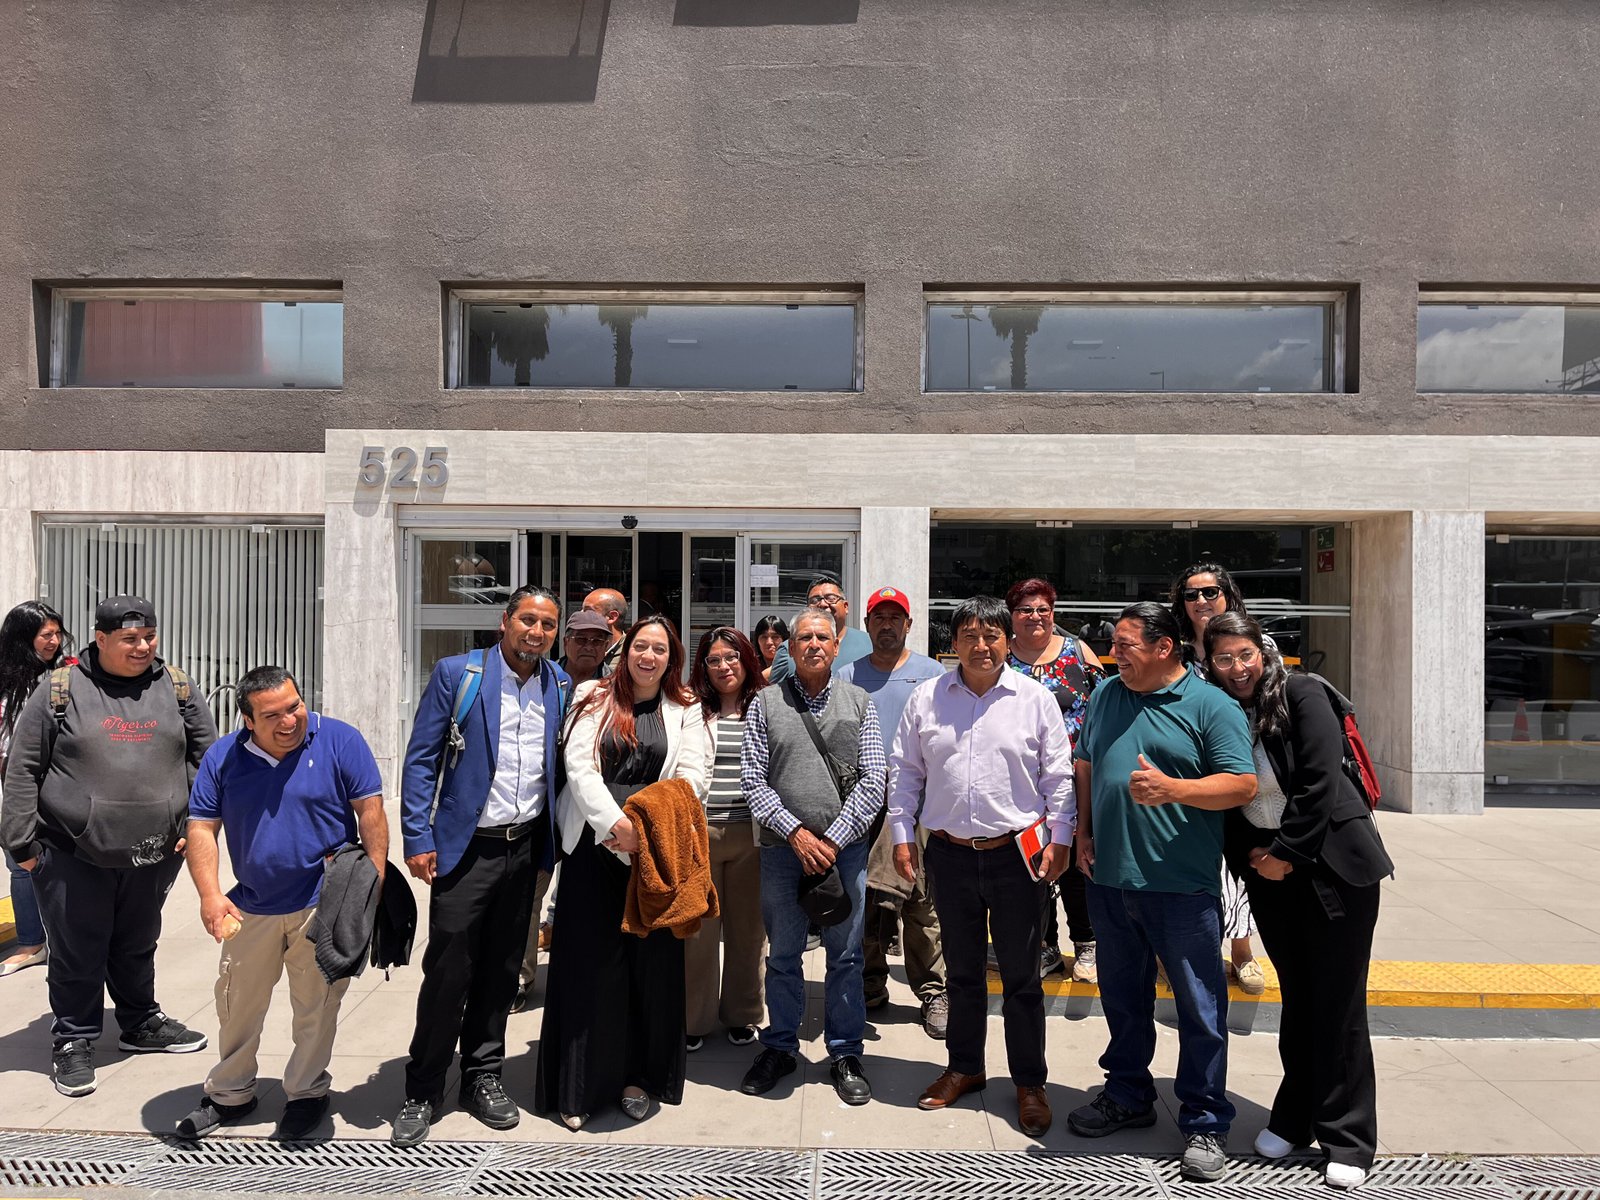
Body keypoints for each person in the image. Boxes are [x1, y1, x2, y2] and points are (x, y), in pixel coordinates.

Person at [1067, 602, 1256, 1183]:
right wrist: (1082, 830)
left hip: (1180, 886)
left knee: (1200, 1007)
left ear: (1165, 647)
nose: (1114, 654)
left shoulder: (1211, 705)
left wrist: (1174, 789)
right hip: (1109, 879)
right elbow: (1085, 762)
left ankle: (1205, 1119)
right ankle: (1127, 1093)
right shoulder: (1107, 694)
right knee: (1123, 999)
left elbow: (1242, 784)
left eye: (1126, 645)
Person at [1205, 612, 1394, 1191]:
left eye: (1244, 655)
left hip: (1333, 869)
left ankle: (1349, 1138)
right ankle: (1295, 1117)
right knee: (1301, 1000)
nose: (1237, 668)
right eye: (1223, 658)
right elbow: (1230, 795)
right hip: (1269, 874)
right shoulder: (1221, 710)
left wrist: (1285, 852)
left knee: (1338, 1004)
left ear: (1262, 652)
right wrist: (1257, 861)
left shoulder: (1302, 692)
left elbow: (1318, 783)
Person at [1, 595, 215, 1097]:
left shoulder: (177, 686)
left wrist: (195, 827)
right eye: (130, 639)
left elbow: (206, 760)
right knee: (78, 947)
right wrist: (22, 844)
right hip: (71, 850)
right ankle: (74, 1038)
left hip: (153, 850)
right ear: (101, 638)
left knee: (137, 941)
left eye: (149, 637)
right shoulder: (59, 689)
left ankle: (139, 1022)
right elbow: (23, 768)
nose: (143, 647)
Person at [889, 595, 1075, 1139]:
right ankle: (965, 1067)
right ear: (953, 643)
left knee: (1022, 979)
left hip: (1017, 857)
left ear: (1007, 642)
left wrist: (1061, 840)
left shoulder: (1034, 699)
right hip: (947, 855)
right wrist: (902, 836)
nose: (981, 646)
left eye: (991, 635)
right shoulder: (927, 698)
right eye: (969, 635)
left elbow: (1058, 777)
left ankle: (1030, 1083)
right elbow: (906, 773)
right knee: (962, 973)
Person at [177, 666, 388, 1140]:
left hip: (323, 903)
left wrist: (373, 886)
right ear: (248, 720)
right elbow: (202, 828)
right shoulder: (223, 757)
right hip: (250, 906)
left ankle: (306, 1093)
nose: (290, 721)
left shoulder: (340, 740)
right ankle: (230, 1093)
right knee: (237, 1005)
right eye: (273, 715)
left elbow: (371, 812)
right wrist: (210, 896)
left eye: (294, 706)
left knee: (317, 1006)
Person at [393, 585, 569, 1147]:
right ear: (505, 621)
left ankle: (481, 1077)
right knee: (449, 973)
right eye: (528, 620)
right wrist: (417, 835)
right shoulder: (459, 674)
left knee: (500, 971)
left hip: (526, 848)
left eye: (547, 624)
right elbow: (422, 758)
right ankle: (423, 1088)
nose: (536, 632)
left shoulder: (558, 683)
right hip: (466, 849)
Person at [535, 615, 709, 1129]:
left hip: (653, 854)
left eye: (659, 649)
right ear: (625, 650)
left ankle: (639, 1078)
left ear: (671, 658)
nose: (648, 656)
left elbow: (692, 778)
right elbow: (578, 766)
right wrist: (615, 824)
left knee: (648, 971)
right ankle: (580, 1086)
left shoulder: (686, 707)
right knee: (588, 968)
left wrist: (643, 829)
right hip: (593, 848)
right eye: (640, 646)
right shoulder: (592, 696)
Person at [739, 608, 886, 1105]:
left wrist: (834, 840)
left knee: (846, 956)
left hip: (845, 854)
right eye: (805, 637)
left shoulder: (859, 702)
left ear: (836, 646)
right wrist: (797, 834)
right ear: (791, 647)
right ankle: (780, 1046)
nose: (814, 645)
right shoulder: (765, 703)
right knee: (783, 955)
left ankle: (845, 1052)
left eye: (823, 637)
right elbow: (753, 780)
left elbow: (874, 779)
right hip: (783, 852)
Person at [836, 586, 949, 1038]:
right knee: (864, 898)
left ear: (908, 624)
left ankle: (933, 991)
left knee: (921, 903)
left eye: (895, 617)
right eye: (879, 618)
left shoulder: (932, 674)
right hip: (862, 806)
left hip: (918, 806)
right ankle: (870, 982)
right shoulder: (846, 675)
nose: (887, 625)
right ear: (867, 625)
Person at [1171, 562, 1267, 996]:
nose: (1201, 601)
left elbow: (1273, 698)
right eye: (1191, 594)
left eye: (1210, 592)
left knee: (1241, 860)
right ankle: (1189, 953)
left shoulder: (1254, 641)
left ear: (1227, 594)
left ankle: (1243, 952)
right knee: (1203, 863)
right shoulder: (1176, 650)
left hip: (1245, 764)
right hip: (1193, 771)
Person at [1005, 577, 1104, 984]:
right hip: (1020, 780)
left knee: (1078, 859)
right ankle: (1045, 945)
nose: (1035, 616)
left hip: (1076, 776)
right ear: (1012, 616)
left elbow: (1104, 704)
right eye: (1025, 609)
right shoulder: (1000, 657)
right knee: (1033, 860)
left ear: (1053, 613)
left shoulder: (1077, 652)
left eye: (1042, 609)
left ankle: (1086, 943)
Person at [683, 627, 766, 1052]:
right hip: (702, 833)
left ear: (746, 660)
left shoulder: (766, 704)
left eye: (731, 657)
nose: (723, 667)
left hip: (752, 834)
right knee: (697, 933)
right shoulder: (690, 708)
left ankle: (742, 1013)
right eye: (713, 660)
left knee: (747, 932)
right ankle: (693, 1019)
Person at [0, 601, 72, 978]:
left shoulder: (67, 676)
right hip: (16, 781)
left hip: (61, 780)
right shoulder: (6, 681)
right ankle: (31, 943)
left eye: (57, 634)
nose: (54, 641)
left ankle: (68, 940)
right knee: (20, 861)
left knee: (66, 862)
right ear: (22, 638)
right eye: (46, 634)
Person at [765, 573, 872, 685]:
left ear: (845, 607)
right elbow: (775, 692)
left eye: (831, 598)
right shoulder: (788, 649)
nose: (823, 604)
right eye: (815, 600)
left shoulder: (869, 644)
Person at [558, 609, 614, 687]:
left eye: (597, 641)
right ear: (566, 642)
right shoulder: (545, 677)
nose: (588, 647)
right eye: (581, 639)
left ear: (606, 646)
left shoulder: (616, 685)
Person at [583, 588, 629, 677]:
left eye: (588, 611)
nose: (581, 616)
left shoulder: (631, 654)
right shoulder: (580, 648)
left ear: (611, 617)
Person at [751, 615, 789, 680]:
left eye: (775, 637)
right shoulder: (750, 666)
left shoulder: (794, 665)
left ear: (784, 640)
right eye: (764, 637)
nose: (769, 642)